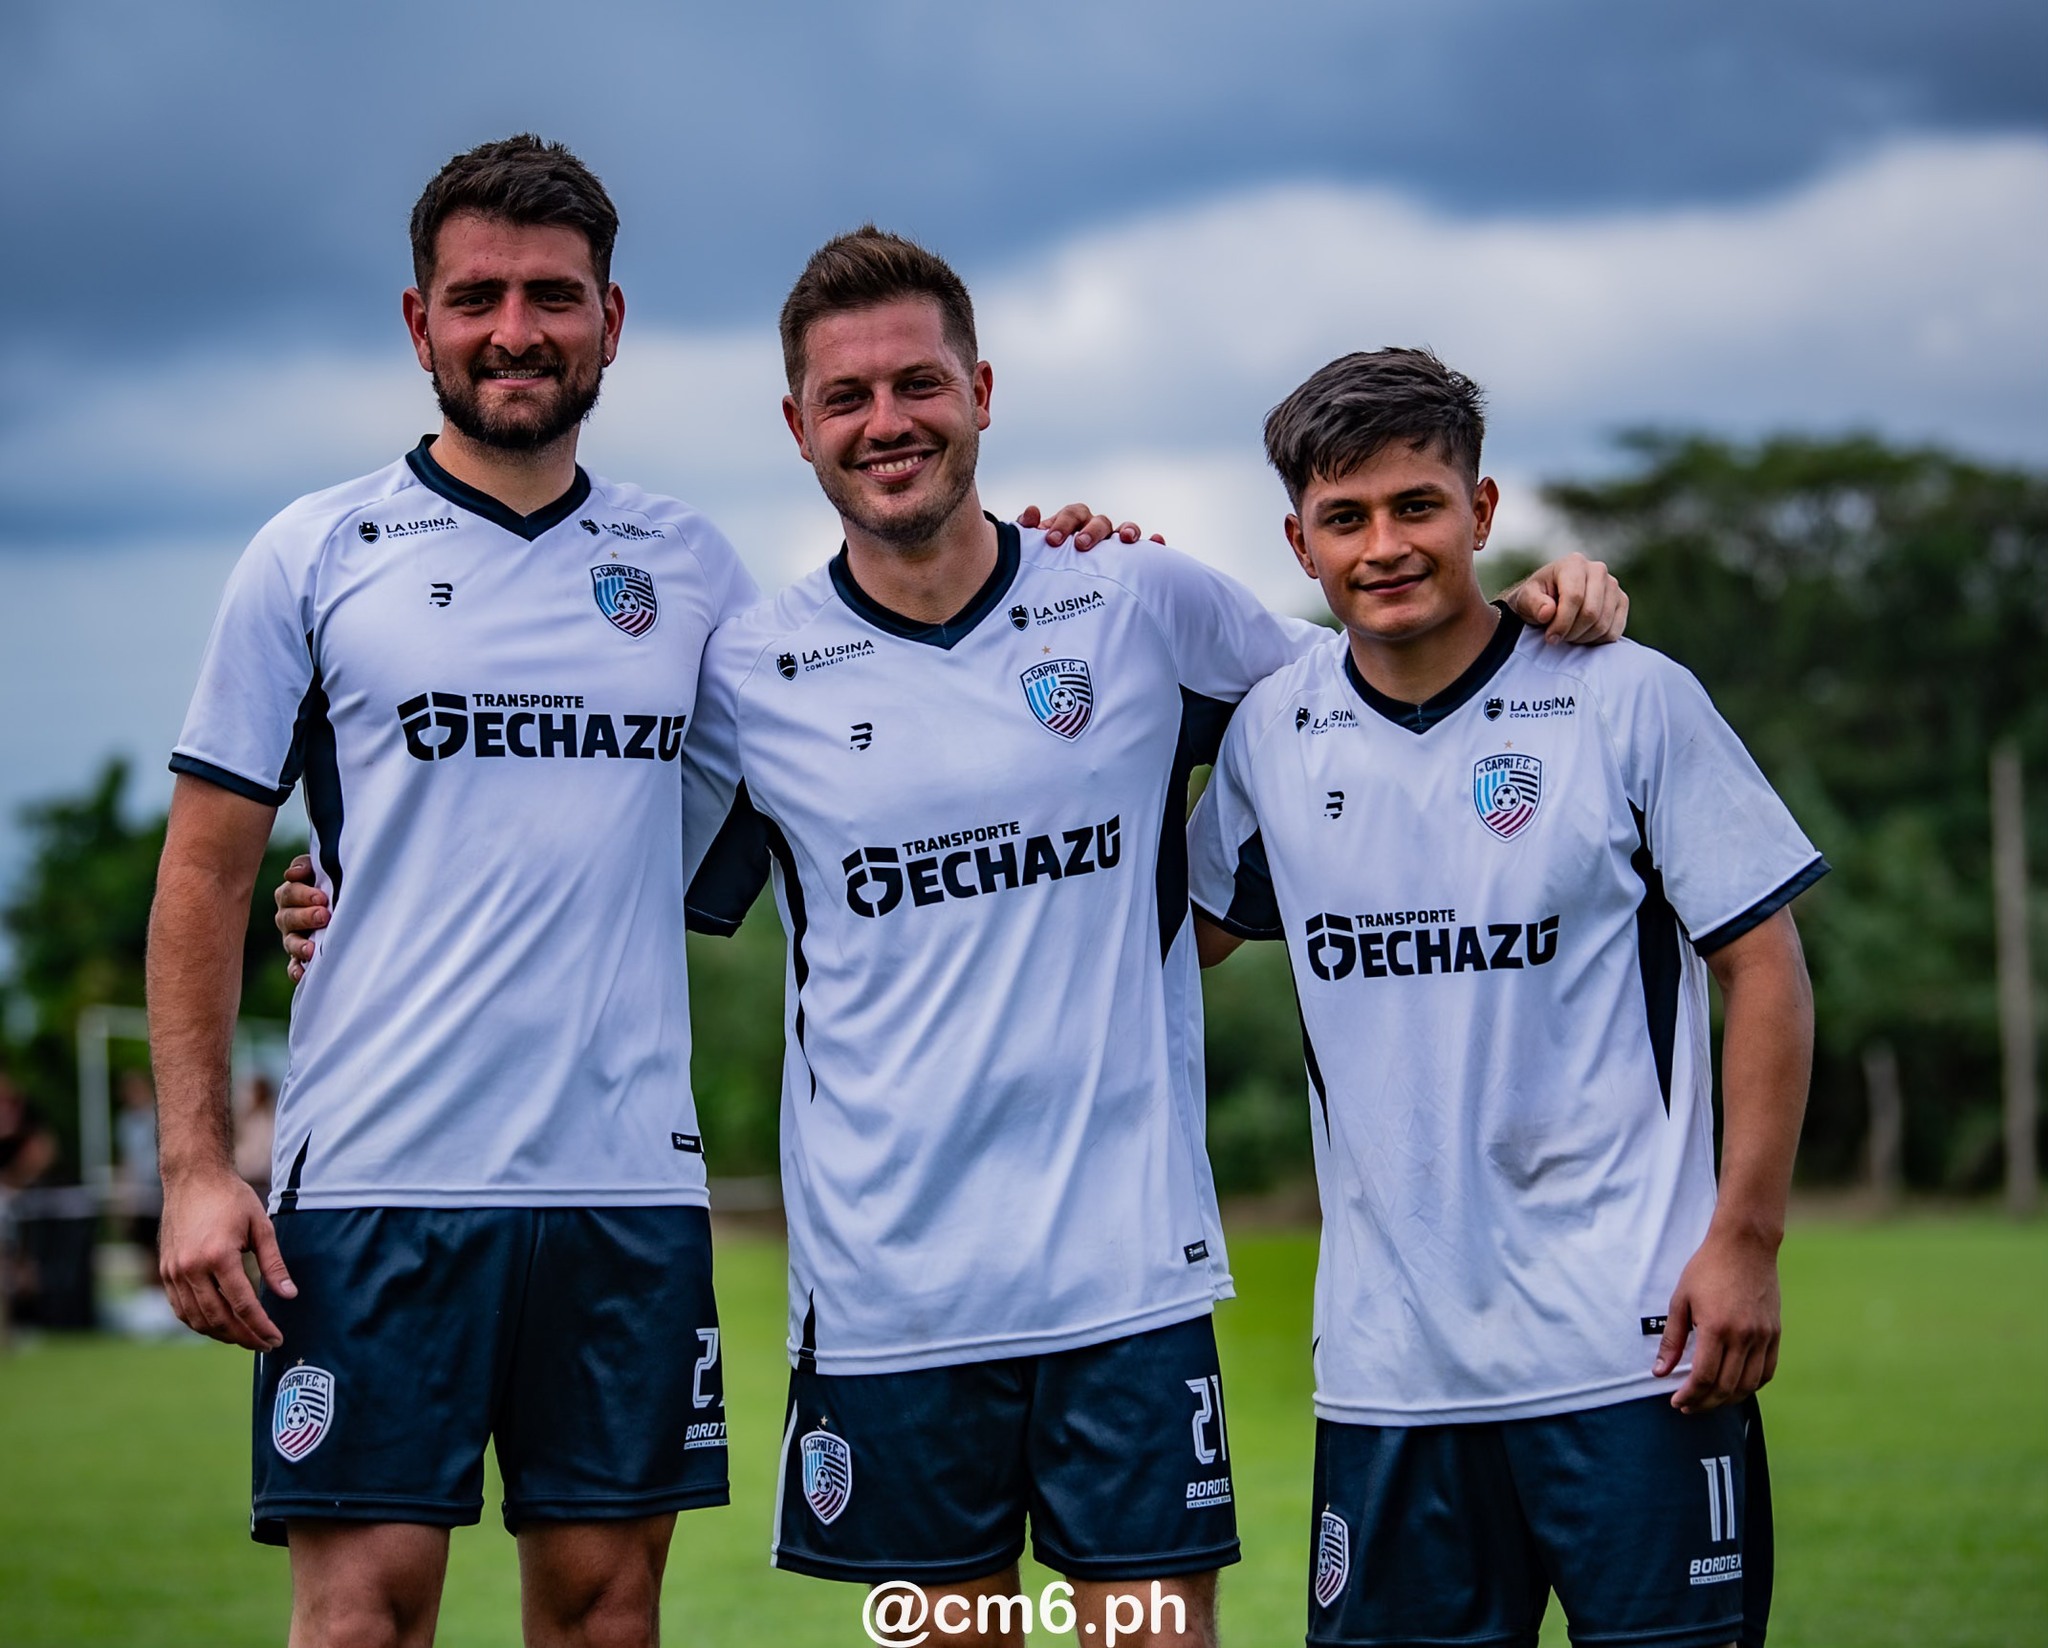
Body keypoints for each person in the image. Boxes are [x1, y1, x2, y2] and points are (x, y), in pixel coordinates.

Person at [273, 226, 1622, 1645]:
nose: (888, 423)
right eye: (847, 399)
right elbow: (573, 841)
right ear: (798, 428)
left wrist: (1537, 609)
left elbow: (1389, 693)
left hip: (1127, 1285)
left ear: (981, 389)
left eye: (918, 384)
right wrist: (347, 899)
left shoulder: (1140, 602)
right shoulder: (747, 670)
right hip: (890, 1305)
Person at [153, 135, 1120, 1648]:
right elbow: (208, 872)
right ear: (421, 324)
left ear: (613, 320)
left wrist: (1064, 571)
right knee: (362, 1615)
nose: (516, 329)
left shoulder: (692, 572)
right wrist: (197, 1165)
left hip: (625, 1187)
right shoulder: (314, 552)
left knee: (608, 1613)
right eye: (478, 296)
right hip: (376, 1184)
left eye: (554, 294)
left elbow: (892, 730)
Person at [1187, 348, 1823, 1648]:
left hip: (1635, 1353)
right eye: (1345, 517)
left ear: (1479, 511)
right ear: (1298, 541)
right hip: (1389, 1378)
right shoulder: (1270, 735)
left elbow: (1763, 963)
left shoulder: (1628, 697)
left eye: (1417, 505)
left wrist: (1746, 1240)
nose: (1384, 546)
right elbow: (1156, 945)